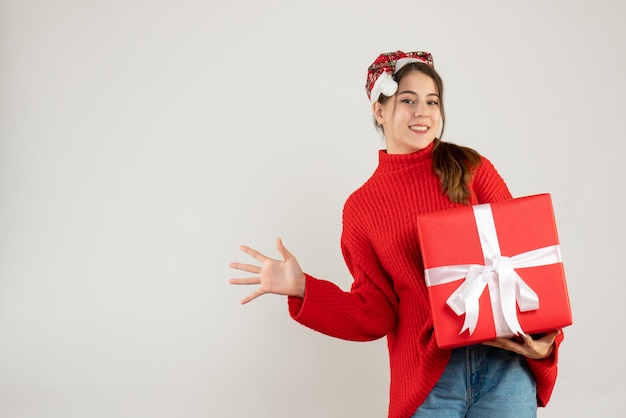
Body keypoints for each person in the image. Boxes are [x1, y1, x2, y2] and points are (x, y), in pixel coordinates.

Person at [229, 50, 563, 418]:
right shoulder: (362, 208)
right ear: (379, 111)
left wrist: (546, 343)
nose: (423, 112)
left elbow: (525, 264)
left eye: (432, 102)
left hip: (506, 369)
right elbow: (376, 313)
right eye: (408, 100)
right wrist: (303, 288)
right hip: (431, 381)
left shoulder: (471, 169)